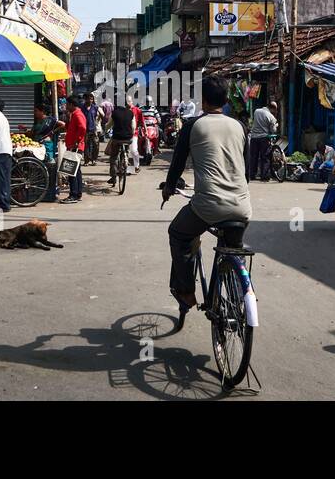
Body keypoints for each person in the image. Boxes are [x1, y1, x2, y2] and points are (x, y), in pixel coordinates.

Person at [161, 77, 250, 309]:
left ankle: (186, 292)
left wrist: (169, 188)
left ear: (204, 100)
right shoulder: (240, 126)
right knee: (233, 249)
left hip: (208, 206)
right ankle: (237, 298)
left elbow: (177, 164)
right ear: (226, 99)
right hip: (242, 206)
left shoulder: (193, 126)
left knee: (178, 234)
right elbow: (245, 170)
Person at [29, 104, 63, 203]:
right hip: (38, 147)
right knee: (42, 170)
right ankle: (43, 193)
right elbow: (33, 133)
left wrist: (53, 132)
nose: (34, 113)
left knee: (50, 169)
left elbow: (63, 124)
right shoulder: (37, 122)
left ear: (42, 111)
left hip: (48, 147)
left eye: (36, 111)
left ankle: (50, 194)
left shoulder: (50, 120)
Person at [105, 97, 141, 183]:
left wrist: (105, 131)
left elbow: (109, 125)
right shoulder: (130, 113)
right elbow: (133, 127)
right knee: (126, 151)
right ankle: (125, 161)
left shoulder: (115, 113)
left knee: (113, 158)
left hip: (117, 138)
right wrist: (130, 135)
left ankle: (113, 177)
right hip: (127, 139)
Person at [61, 99, 86, 204]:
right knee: (76, 171)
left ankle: (73, 195)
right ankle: (77, 193)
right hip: (74, 146)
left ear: (71, 104)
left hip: (75, 147)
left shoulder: (77, 114)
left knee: (71, 171)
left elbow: (82, 128)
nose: (66, 106)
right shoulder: (73, 115)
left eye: (67, 104)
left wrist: (76, 141)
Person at [247, 100, 279, 181]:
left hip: (254, 137)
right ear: (273, 109)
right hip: (264, 138)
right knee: (265, 157)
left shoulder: (257, 111)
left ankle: (252, 175)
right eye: (275, 109)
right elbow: (273, 130)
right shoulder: (271, 117)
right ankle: (264, 176)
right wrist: (275, 125)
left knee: (253, 157)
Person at [83, 93, 101, 166]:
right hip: (85, 130)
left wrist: (97, 123)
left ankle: (94, 159)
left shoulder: (95, 107)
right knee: (86, 146)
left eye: (92, 99)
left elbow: (100, 116)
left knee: (96, 145)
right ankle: (86, 160)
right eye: (89, 99)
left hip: (93, 129)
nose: (90, 100)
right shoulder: (82, 108)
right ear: (86, 99)